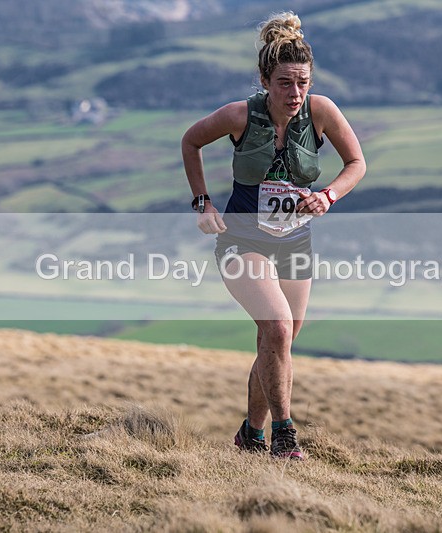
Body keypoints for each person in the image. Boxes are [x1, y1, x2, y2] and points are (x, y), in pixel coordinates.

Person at [181, 12, 365, 460]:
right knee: (278, 329)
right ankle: (284, 438)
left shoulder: (321, 111)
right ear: (265, 80)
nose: (295, 93)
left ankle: (250, 434)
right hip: (242, 241)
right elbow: (190, 142)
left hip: (295, 243)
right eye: (285, 83)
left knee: (279, 339)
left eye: (302, 82)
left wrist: (329, 196)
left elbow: (357, 164)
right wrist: (202, 202)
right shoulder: (238, 115)